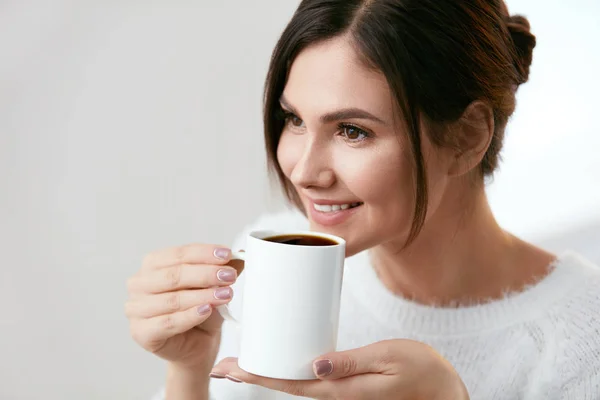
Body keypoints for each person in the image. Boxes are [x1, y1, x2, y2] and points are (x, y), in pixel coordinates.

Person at [125, 0, 600, 399]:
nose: (304, 171)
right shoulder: (266, 265)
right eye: (293, 119)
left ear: (467, 136)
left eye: (352, 131)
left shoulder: (582, 339)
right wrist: (188, 372)